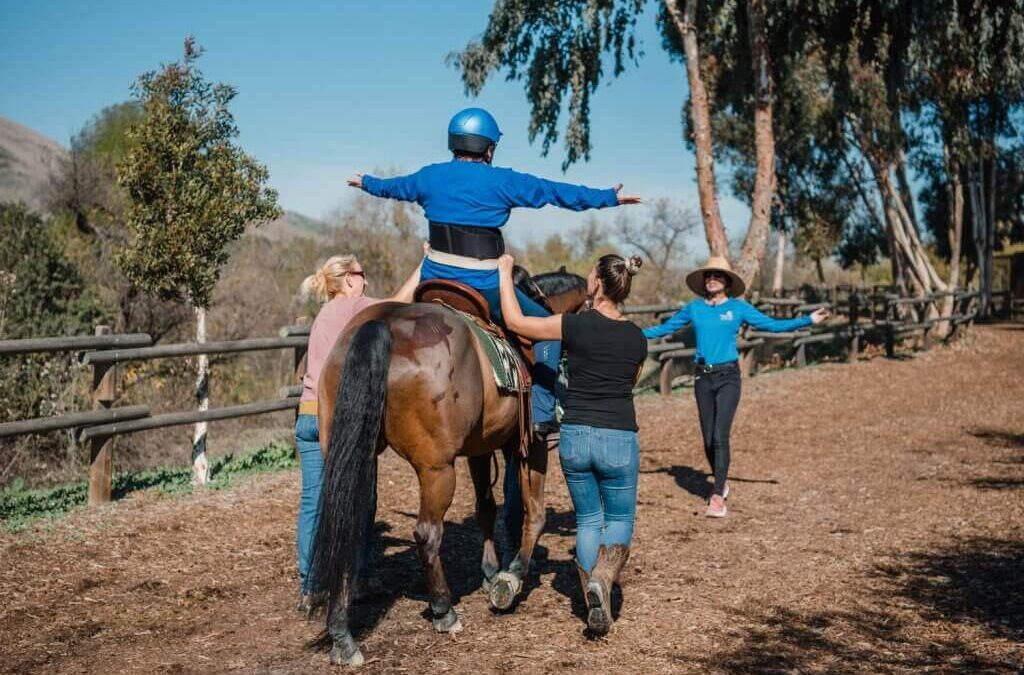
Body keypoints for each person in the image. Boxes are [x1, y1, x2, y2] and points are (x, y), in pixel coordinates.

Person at [347, 107, 641, 442]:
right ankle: (542, 416)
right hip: (483, 284)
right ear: (489, 148)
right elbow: (554, 191)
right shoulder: (504, 180)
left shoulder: (429, 176)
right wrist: (607, 198)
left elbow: (394, 187)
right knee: (548, 332)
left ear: (454, 143)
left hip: (431, 282)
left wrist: (366, 183)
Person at [496, 251, 647, 637]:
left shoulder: (573, 326)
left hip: (576, 437)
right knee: (619, 519)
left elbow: (515, 322)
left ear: (596, 283)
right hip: (618, 436)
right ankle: (603, 579)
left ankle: (593, 600)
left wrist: (503, 272)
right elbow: (629, 382)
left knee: (588, 520)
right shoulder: (636, 337)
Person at [643, 256, 829, 517]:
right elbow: (664, 328)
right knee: (708, 439)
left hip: (728, 377)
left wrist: (808, 320)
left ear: (727, 282)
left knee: (721, 435)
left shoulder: (738, 308)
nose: (712, 280)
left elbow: (772, 325)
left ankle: (717, 495)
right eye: (708, 276)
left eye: (718, 276)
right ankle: (721, 479)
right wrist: (627, 333)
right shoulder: (694, 308)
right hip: (702, 378)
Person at [295, 253, 423, 610]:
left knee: (314, 503)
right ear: (349, 279)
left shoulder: (323, 314)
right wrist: (423, 263)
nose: (366, 282)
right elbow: (398, 303)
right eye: (362, 276)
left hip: (307, 415)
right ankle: (360, 576)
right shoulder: (356, 306)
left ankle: (311, 586)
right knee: (363, 500)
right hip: (338, 419)